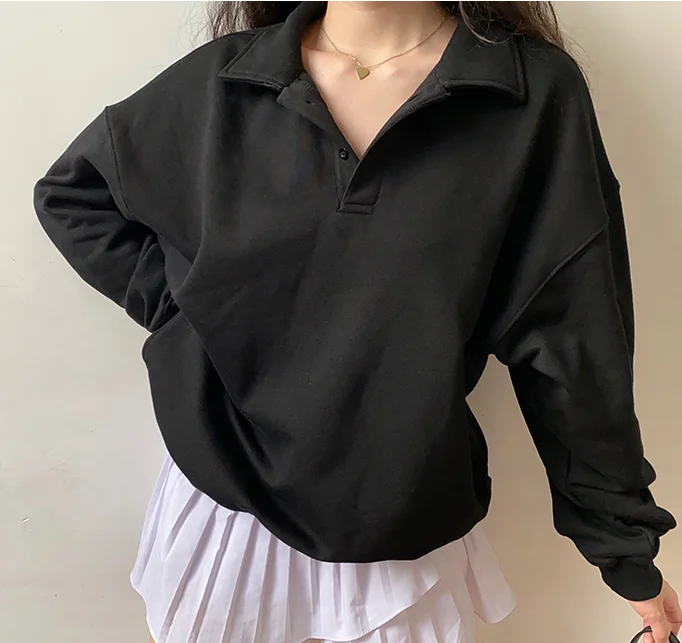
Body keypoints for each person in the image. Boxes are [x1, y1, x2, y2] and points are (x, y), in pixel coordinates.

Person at [34, 2, 680, 642]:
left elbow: (573, 337)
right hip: (222, 498)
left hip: (402, 516)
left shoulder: (528, 95)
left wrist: (622, 547)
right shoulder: (226, 80)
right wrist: (184, 311)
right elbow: (75, 195)